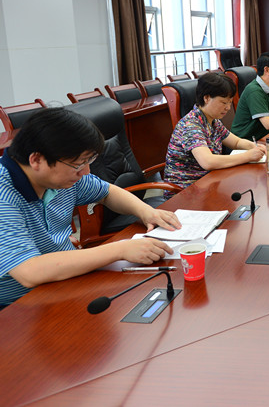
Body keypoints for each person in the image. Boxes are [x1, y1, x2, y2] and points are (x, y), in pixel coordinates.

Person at [0, 108, 180, 309]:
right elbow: (29, 271)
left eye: (88, 161)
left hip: (65, 280)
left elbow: (107, 192)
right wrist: (120, 249)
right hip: (18, 306)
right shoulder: (4, 195)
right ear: (36, 160)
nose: (86, 171)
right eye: (78, 164)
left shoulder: (62, 178)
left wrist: (146, 212)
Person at [164, 72, 268, 196]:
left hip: (209, 182)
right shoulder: (191, 125)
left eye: (230, 102)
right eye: (224, 103)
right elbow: (208, 162)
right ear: (207, 98)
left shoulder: (213, 121)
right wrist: (248, 156)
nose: (228, 107)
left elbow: (236, 142)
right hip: (185, 192)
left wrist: (255, 147)